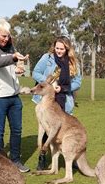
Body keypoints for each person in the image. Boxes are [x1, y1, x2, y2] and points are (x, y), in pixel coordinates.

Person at [0, 18, 30, 172]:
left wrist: (18, 68)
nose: (6, 39)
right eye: (4, 36)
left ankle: (15, 161)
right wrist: (14, 57)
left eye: (8, 36)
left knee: (17, 130)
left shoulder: (10, 46)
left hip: (14, 95)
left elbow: (10, 65)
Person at [32, 36, 82, 170]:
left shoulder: (73, 62)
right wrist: (49, 84)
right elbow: (35, 73)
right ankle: (42, 158)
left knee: (65, 130)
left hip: (65, 99)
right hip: (47, 99)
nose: (59, 51)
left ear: (67, 49)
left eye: (62, 49)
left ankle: (73, 158)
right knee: (46, 127)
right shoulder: (47, 58)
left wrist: (64, 88)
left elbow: (78, 82)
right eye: (57, 48)